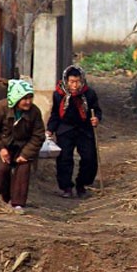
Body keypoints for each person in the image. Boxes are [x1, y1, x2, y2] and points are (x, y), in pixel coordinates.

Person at [0, 79, 45, 212]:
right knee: (2, 170)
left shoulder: (34, 112)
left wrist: (26, 154)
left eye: (30, 98)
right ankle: (3, 196)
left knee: (23, 170)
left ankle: (18, 203)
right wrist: (1, 148)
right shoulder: (0, 108)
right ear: (16, 98)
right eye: (24, 98)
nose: (28, 102)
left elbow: (38, 136)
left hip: (23, 147)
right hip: (2, 147)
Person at [46, 65, 102, 198]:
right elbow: (55, 114)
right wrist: (50, 129)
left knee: (89, 158)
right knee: (64, 159)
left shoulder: (89, 94)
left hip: (84, 129)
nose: (74, 85)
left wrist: (96, 119)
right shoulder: (59, 94)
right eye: (71, 82)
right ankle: (66, 187)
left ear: (82, 81)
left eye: (77, 81)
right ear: (66, 81)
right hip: (65, 129)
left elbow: (97, 110)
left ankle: (82, 184)